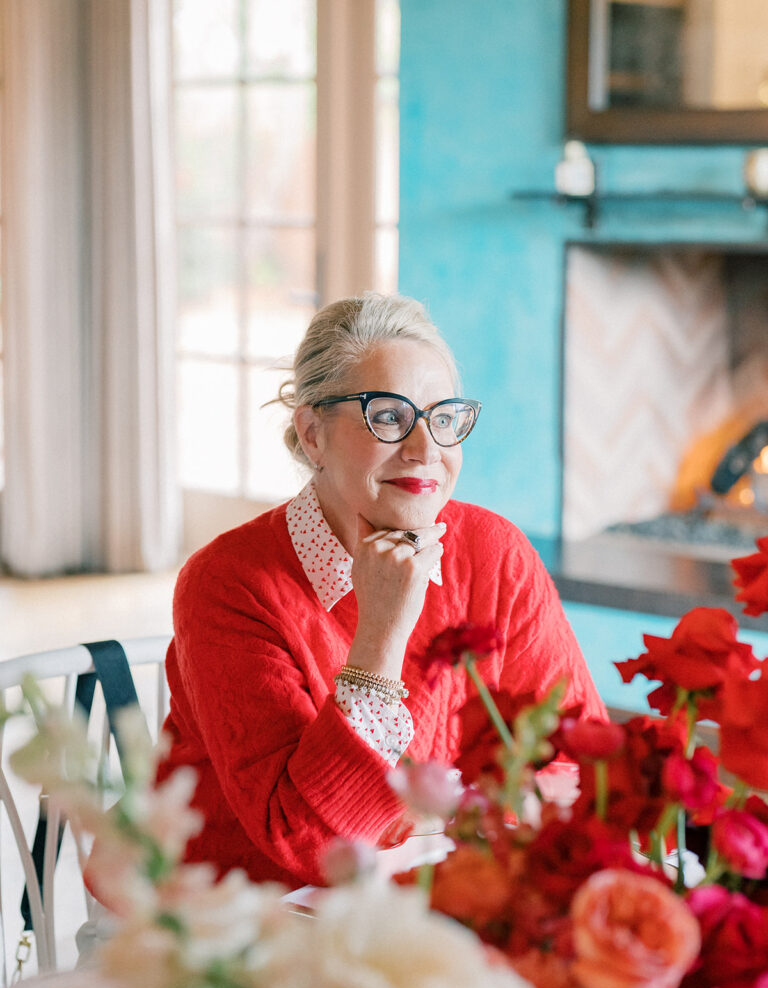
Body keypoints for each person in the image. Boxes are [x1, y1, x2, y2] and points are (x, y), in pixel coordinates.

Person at [157, 293, 607, 890]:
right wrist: (383, 633)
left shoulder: (495, 553)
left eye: (442, 418)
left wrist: (470, 845)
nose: (426, 450)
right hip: (232, 922)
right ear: (312, 434)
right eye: (389, 417)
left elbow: (582, 760)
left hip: (432, 897)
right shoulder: (228, 583)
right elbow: (309, 846)